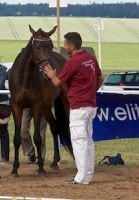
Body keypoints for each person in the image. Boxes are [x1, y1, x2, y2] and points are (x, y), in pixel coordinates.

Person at [44, 32, 103, 185]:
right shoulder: (91, 58)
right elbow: (100, 78)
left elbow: (57, 83)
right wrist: (90, 92)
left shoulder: (72, 62)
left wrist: (51, 75)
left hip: (78, 106)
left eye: (65, 44)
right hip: (91, 105)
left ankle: (81, 177)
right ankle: (87, 174)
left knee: (78, 141)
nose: (64, 47)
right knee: (88, 141)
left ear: (71, 45)